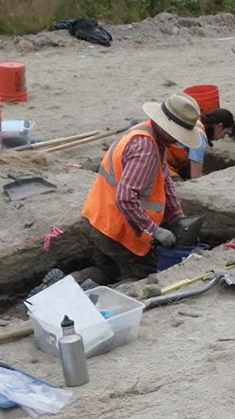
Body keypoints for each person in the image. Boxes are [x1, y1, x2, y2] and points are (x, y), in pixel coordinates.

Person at [76, 93, 201, 284]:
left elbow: (165, 179)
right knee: (142, 276)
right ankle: (92, 292)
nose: (178, 141)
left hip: (97, 218)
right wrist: (155, 230)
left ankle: (74, 282)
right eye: (176, 134)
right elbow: (125, 198)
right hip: (116, 230)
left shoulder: (146, 133)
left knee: (108, 269)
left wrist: (177, 217)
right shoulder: (146, 150)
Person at [164, 108, 235, 180]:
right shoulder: (199, 138)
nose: (223, 137)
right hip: (161, 161)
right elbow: (196, 177)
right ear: (219, 126)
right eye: (225, 133)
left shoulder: (197, 120)